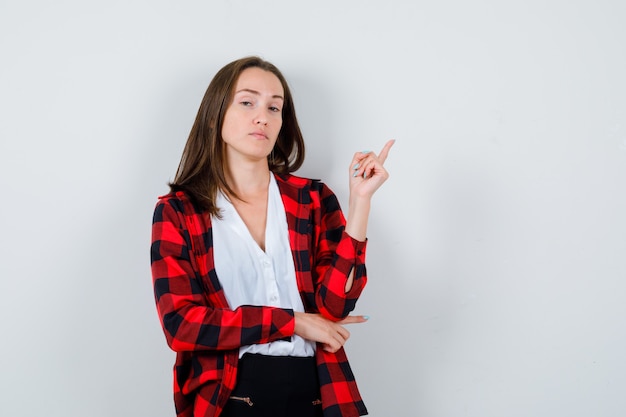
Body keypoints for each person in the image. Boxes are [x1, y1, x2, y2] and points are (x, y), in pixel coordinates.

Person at [151, 56, 394, 417]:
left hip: (319, 394)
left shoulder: (311, 199)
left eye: (274, 107)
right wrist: (293, 321)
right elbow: (182, 325)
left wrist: (360, 202)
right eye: (247, 102)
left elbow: (334, 307)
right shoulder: (179, 211)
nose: (262, 116)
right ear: (216, 113)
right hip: (229, 399)